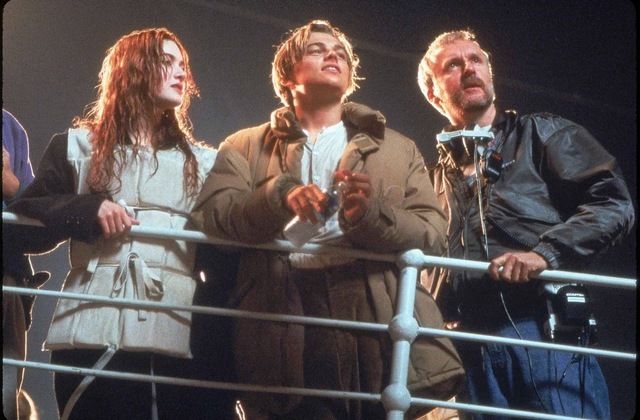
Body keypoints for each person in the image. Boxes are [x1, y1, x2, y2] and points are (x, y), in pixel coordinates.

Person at [192, 19, 464, 420]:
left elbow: (433, 234)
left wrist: (369, 216)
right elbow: (213, 219)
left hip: (373, 310)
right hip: (281, 307)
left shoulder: (399, 147)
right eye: (317, 50)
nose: (332, 55)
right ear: (288, 76)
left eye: (340, 53)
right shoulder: (243, 145)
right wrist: (278, 196)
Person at [5, 28, 234, 419]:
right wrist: (87, 208)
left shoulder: (206, 163)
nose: (182, 73)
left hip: (181, 331)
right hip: (91, 330)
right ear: (133, 69)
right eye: (167, 62)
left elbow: (223, 261)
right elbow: (26, 229)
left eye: (183, 64)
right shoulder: (74, 147)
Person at [417, 30, 635, 419]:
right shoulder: (428, 181)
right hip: (465, 347)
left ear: (490, 74)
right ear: (433, 93)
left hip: (542, 332)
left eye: (476, 60)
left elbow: (613, 203)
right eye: (453, 64)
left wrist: (544, 254)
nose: (469, 69)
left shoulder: (541, 133)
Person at [3, 109, 49, 420]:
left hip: (9, 275)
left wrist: (10, 183)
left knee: (7, 396)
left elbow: (38, 218)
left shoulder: (9, 126)